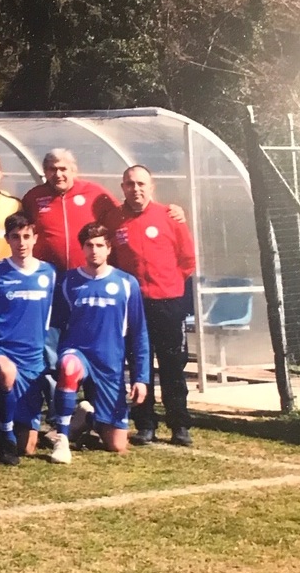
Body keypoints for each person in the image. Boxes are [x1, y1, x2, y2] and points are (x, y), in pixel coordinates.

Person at [102, 165, 195, 447]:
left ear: (151, 186)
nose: (136, 189)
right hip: (135, 306)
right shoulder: (114, 220)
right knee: (139, 366)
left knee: (172, 366)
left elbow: (187, 259)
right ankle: (145, 424)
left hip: (168, 303)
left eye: (141, 183)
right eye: (130, 184)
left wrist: (168, 286)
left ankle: (179, 425)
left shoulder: (170, 216)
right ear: (123, 188)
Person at [52, 223, 151, 460]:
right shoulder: (68, 282)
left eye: (99, 245)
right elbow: (56, 326)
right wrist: (54, 359)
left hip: (109, 364)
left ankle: (85, 417)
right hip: (78, 354)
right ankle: (62, 440)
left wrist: (141, 378)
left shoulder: (126, 284)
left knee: (116, 444)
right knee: (69, 366)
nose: (94, 250)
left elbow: (139, 333)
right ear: (82, 248)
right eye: (89, 245)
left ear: (109, 249)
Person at [0, 213, 57, 466]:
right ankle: (5, 436)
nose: (21, 242)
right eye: (15, 237)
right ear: (7, 239)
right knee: (6, 371)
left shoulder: (49, 273)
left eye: (26, 236)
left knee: (29, 448)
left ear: (35, 238)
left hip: (32, 360)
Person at [21, 149, 120, 273]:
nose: (58, 175)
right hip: (47, 275)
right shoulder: (33, 197)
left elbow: (120, 217)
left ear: (73, 171)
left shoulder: (94, 192)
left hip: (87, 274)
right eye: (52, 169)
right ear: (45, 172)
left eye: (63, 169)